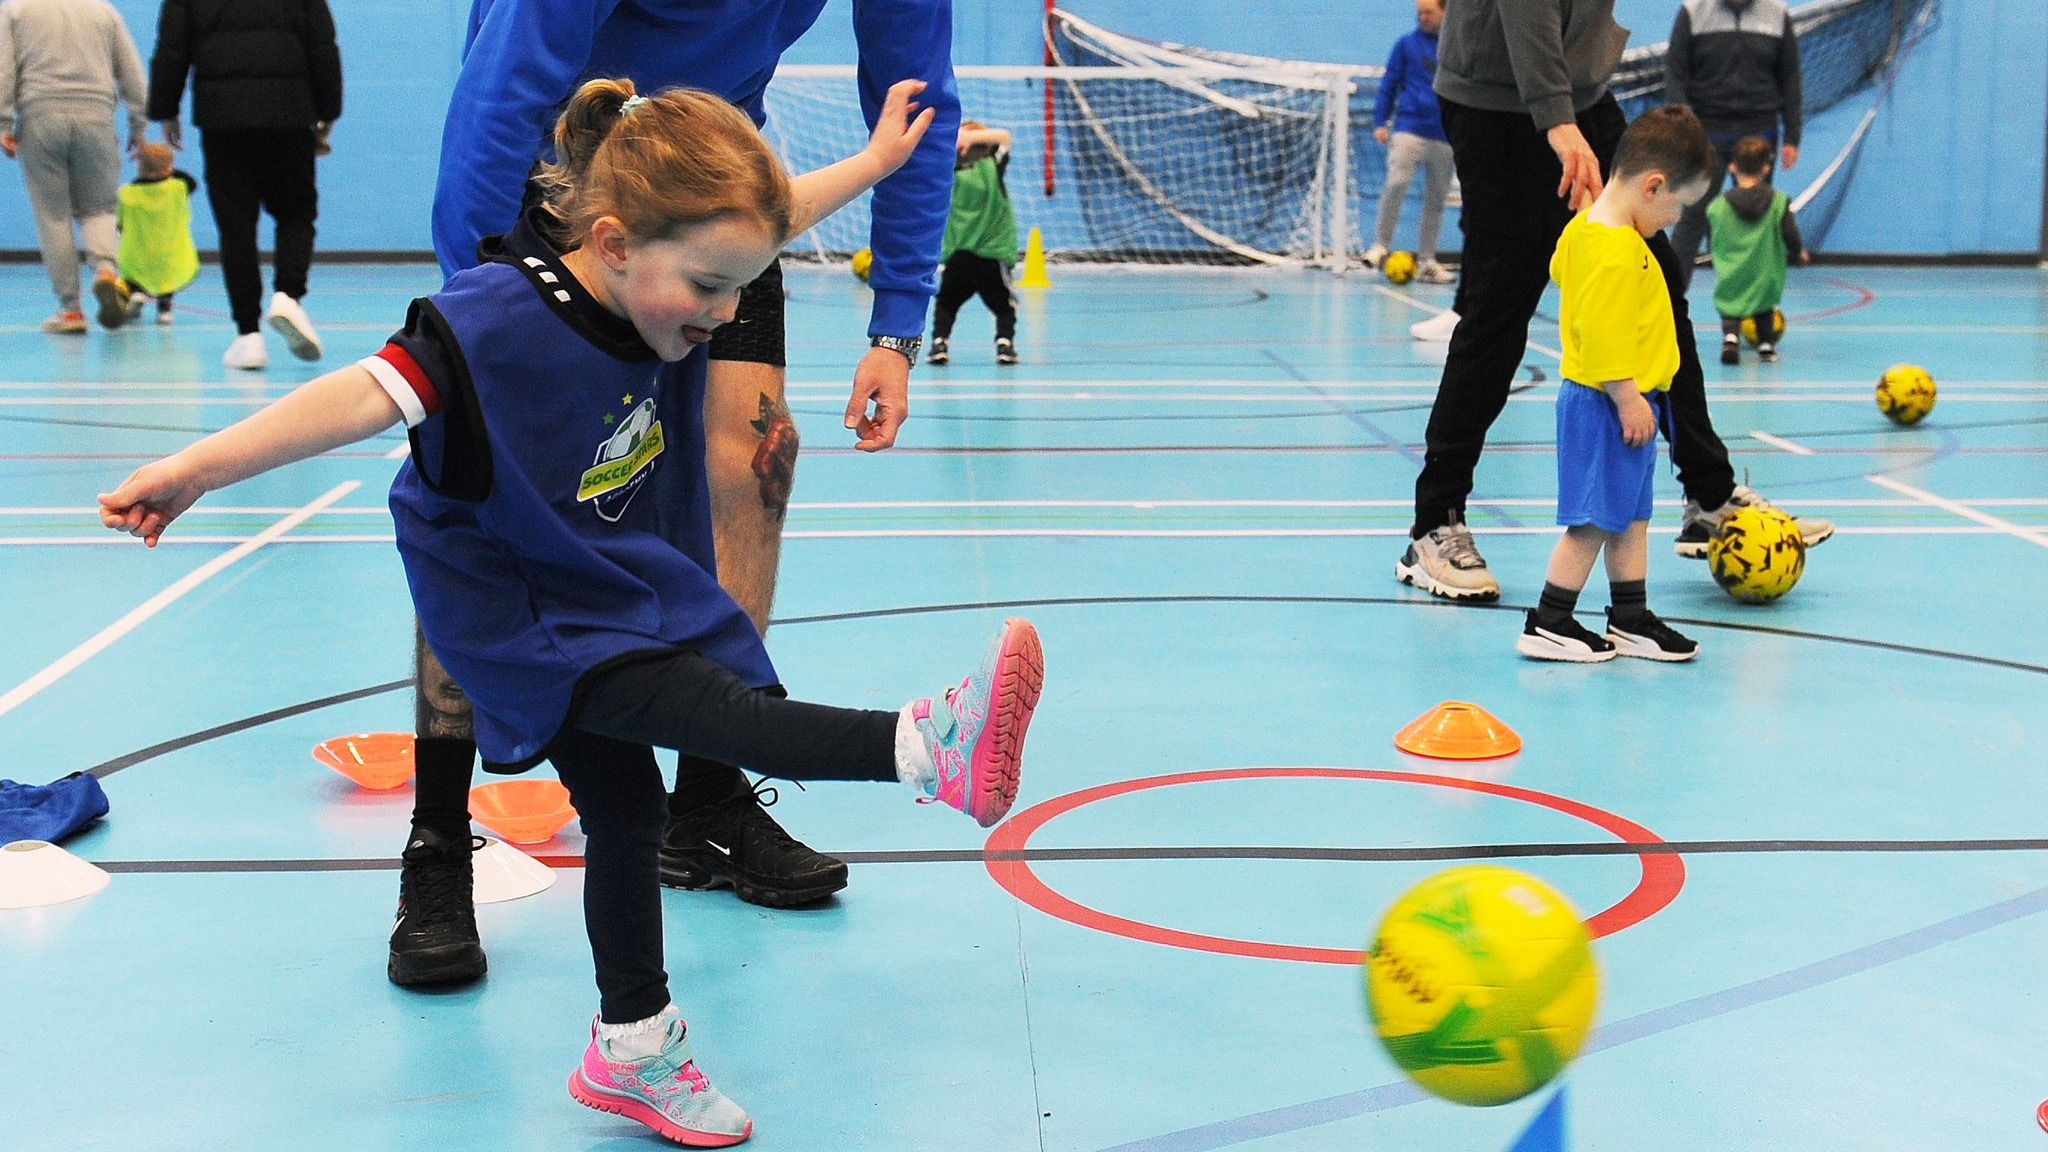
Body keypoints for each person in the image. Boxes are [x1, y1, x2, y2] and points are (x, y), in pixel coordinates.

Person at [101, 78, 1046, 1147]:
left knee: (631, 813)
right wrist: (193, 469)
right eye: (706, 285)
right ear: (610, 241)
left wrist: (875, 167)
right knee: (708, 708)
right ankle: (927, 750)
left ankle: (631, 1047)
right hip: (515, 601)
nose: (725, 312)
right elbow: (360, 395)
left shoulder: (662, 286)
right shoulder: (494, 319)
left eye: (738, 285)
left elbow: (773, 220)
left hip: (599, 573)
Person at [403, 0, 960, 982]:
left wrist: (897, 328)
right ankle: (438, 838)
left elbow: (917, 102)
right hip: (561, 180)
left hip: (716, 184)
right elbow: (506, 86)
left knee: (756, 462)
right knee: (486, 495)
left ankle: (705, 799)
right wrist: (477, 317)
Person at [1393, 0, 1832, 606]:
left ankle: (1708, 494)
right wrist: (1555, 119)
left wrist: (1568, 105)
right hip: (1499, 103)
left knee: (1658, 288)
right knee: (1499, 312)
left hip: (1577, 95)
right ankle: (1433, 525)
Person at [1520, 106, 1714, 664]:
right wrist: (1628, 398)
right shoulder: (1616, 249)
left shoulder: (1590, 229)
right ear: (1653, 187)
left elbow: (1561, 270)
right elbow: (1602, 335)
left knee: (1631, 515)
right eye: (1677, 205)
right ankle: (1551, 620)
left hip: (1625, 402)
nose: (1675, 219)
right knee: (1592, 522)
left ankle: (1630, 616)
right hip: (1608, 403)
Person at [146, 0, 342, 370]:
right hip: (289, 113)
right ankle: (288, 295)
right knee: (295, 214)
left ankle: (248, 336)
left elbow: (172, 47)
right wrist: (327, 111)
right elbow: (322, 45)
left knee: (236, 227)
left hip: (222, 119)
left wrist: (165, 108)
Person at [0, 0, 148, 334]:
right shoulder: (104, 11)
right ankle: (107, 271)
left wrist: (4, 124)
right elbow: (132, 72)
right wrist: (139, 126)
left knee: (53, 216)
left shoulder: (16, 9)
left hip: (41, 117)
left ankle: (70, 311)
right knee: (100, 208)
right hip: (96, 117)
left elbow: (4, 70)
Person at [1665, 0, 1802, 290]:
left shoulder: (1777, 13)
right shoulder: (1692, 11)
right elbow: (1675, 73)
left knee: (1758, 219)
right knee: (1692, 216)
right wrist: (1685, 125)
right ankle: (1670, 302)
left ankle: (1757, 308)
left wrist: (1792, 135)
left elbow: (1790, 77)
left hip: (1759, 133)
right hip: (1705, 133)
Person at [1366, 0, 1455, 285]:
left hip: (1446, 136)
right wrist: (1381, 121)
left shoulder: (1455, 47)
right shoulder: (1406, 45)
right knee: (1396, 184)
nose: (1423, 18)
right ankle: (1380, 246)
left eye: (1429, 12)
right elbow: (1389, 84)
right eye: (1419, 13)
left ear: (1445, 11)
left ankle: (1428, 260)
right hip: (1409, 129)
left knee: (1436, 200)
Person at [927, 120, 1019, 366]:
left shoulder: (953, 169)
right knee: (1004, 306)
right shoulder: (985, 166)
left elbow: (1002, 137)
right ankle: (1005, 344)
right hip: (990, 252)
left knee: (947, 302)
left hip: (963, 253)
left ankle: (939, 341)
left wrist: (964, 136)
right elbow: (1004, 136)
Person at [1708, 136, 1805, 365]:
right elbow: (1790, 232)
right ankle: (1766, 345)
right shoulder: (1778, 202)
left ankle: (1731, 338)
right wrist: (1797, 251)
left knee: (1731, 302)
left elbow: (1713, 231)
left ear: (1732, 167)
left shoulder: (1719, 205)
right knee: (1765, 304)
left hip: (1733, 267)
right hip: (1765, 268)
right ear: (1766, 168)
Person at [112, 140, 199, 326]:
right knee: (166, 282)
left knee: (133, 276)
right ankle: (164, 311)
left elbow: (119, 223)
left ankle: (135, 294)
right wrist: (169, 170)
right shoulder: (178, 188)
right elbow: (192, 183)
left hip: (136, 251)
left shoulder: (127, 193)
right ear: (168, 168)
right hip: (168, 251)